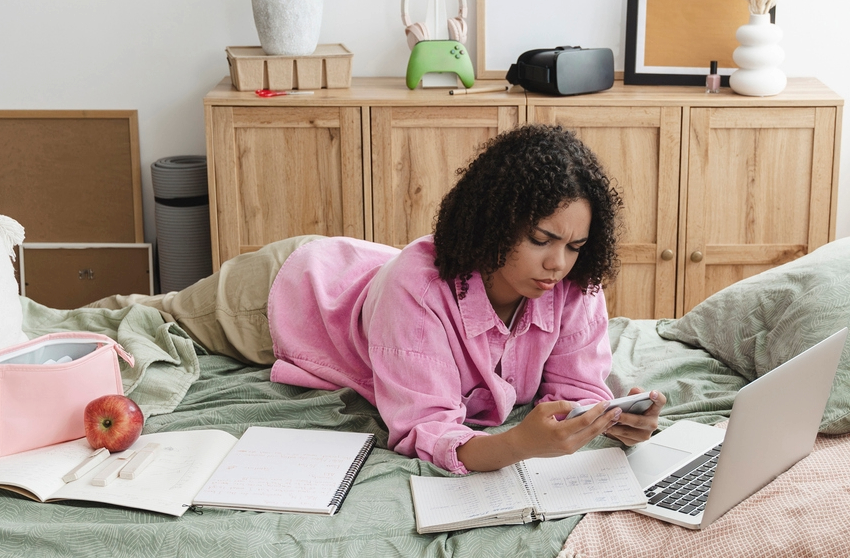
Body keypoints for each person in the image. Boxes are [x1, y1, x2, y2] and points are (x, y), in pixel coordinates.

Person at [111, 124, 663, 474]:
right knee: (140, 316)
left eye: (575, 246)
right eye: (541, 240)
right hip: (288, 292)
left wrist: (609, 420)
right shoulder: (417, 289)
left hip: (370, 279)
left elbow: (576, 389)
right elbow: (425, 430)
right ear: (495, 223)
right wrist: (517, 445)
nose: (558, 264)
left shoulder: (572, 284)